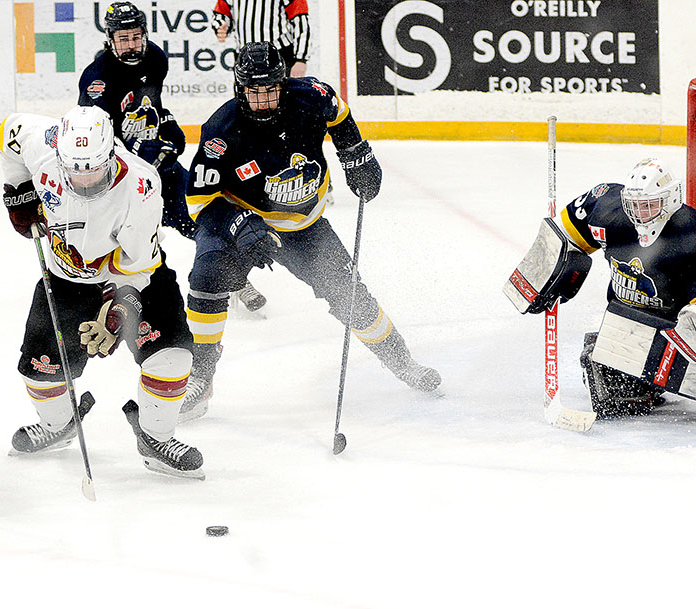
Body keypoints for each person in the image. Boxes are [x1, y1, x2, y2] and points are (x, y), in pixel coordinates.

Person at [180, 42, 440, 420]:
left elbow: (340, 114)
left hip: (304, 226)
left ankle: (403, 362)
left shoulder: (312, 96)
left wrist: (355, 152)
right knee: (208, 277)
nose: (263, 101)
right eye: (254, 92)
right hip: (243, 222)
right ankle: (200, 377)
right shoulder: (221, 132)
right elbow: (199, 203)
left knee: (350, 294)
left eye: (271, 90)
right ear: (239, 89)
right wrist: (241, 224)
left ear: (284, 85)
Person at [503, 158, 696, 426]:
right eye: (635, 205)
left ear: (671, 199)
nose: (641, 214)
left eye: (650, 205)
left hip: (674, 331)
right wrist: (549, 265)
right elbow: (564, 232)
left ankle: (678, 358)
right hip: (625, 324)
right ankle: (646, 383)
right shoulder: (605, 207)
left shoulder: (694, 233)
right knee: (606, 387)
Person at [0, 105, 206, 478]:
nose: (85, 180)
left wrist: (117, 314)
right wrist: (18, 188)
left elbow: (137, 267)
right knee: (41, 369)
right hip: (66, 278)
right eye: (75, 171)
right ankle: (58, 424)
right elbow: (5, 132)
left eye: (93, 169)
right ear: (60, 155)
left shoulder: (140, 187)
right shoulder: (43, 143)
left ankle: (156, 438)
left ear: (110, 153)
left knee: (171, 356)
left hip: (136, 275)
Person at [80, 1, 268, 311]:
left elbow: (151, 107)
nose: (131, 45)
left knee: (203, 218)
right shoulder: (97, 80)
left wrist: (166, 127)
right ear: (110, 39)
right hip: (120, 181)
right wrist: (135, 154)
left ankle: (232, 279)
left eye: (136, 37)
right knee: (129, 243)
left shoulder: (155, 58)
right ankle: (107, 295)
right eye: (123, 39)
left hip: (160, 169)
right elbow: (93, 141)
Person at [211, 0, 312, 77]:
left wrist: (301, 59)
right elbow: (221, 13)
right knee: (245, 97)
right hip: (245, 55)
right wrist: (221, 26)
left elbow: (301, 20)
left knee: (281, 96)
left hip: (278, 53)